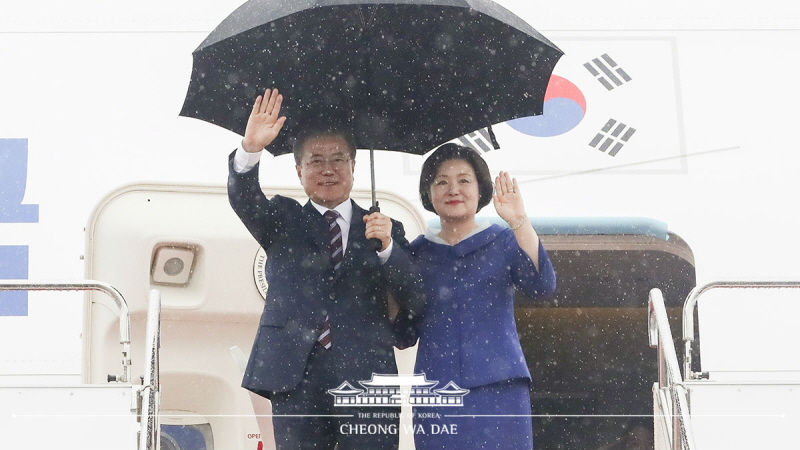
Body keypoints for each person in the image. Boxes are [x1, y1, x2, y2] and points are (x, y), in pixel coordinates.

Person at [227, 88, 425, 450]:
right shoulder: (281, 220)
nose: (328, 169)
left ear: (353, 166)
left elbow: (416, 296)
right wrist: (250, 149)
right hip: (296, 376)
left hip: (367, 377)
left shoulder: (385, 227)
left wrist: (388, 249)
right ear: (299, 169)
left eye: (338, 159)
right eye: (316, 160)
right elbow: (244, 197)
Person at [410, 143, 556, 450]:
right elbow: (402, 330)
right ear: (429, 193)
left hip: (499, 388)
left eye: (464, 180)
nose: (454, 189)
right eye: (441, 181)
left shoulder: (503, 241)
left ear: (481, 190)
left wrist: (519, 221)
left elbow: (542, 285)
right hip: (436, 390)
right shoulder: (415, 254)